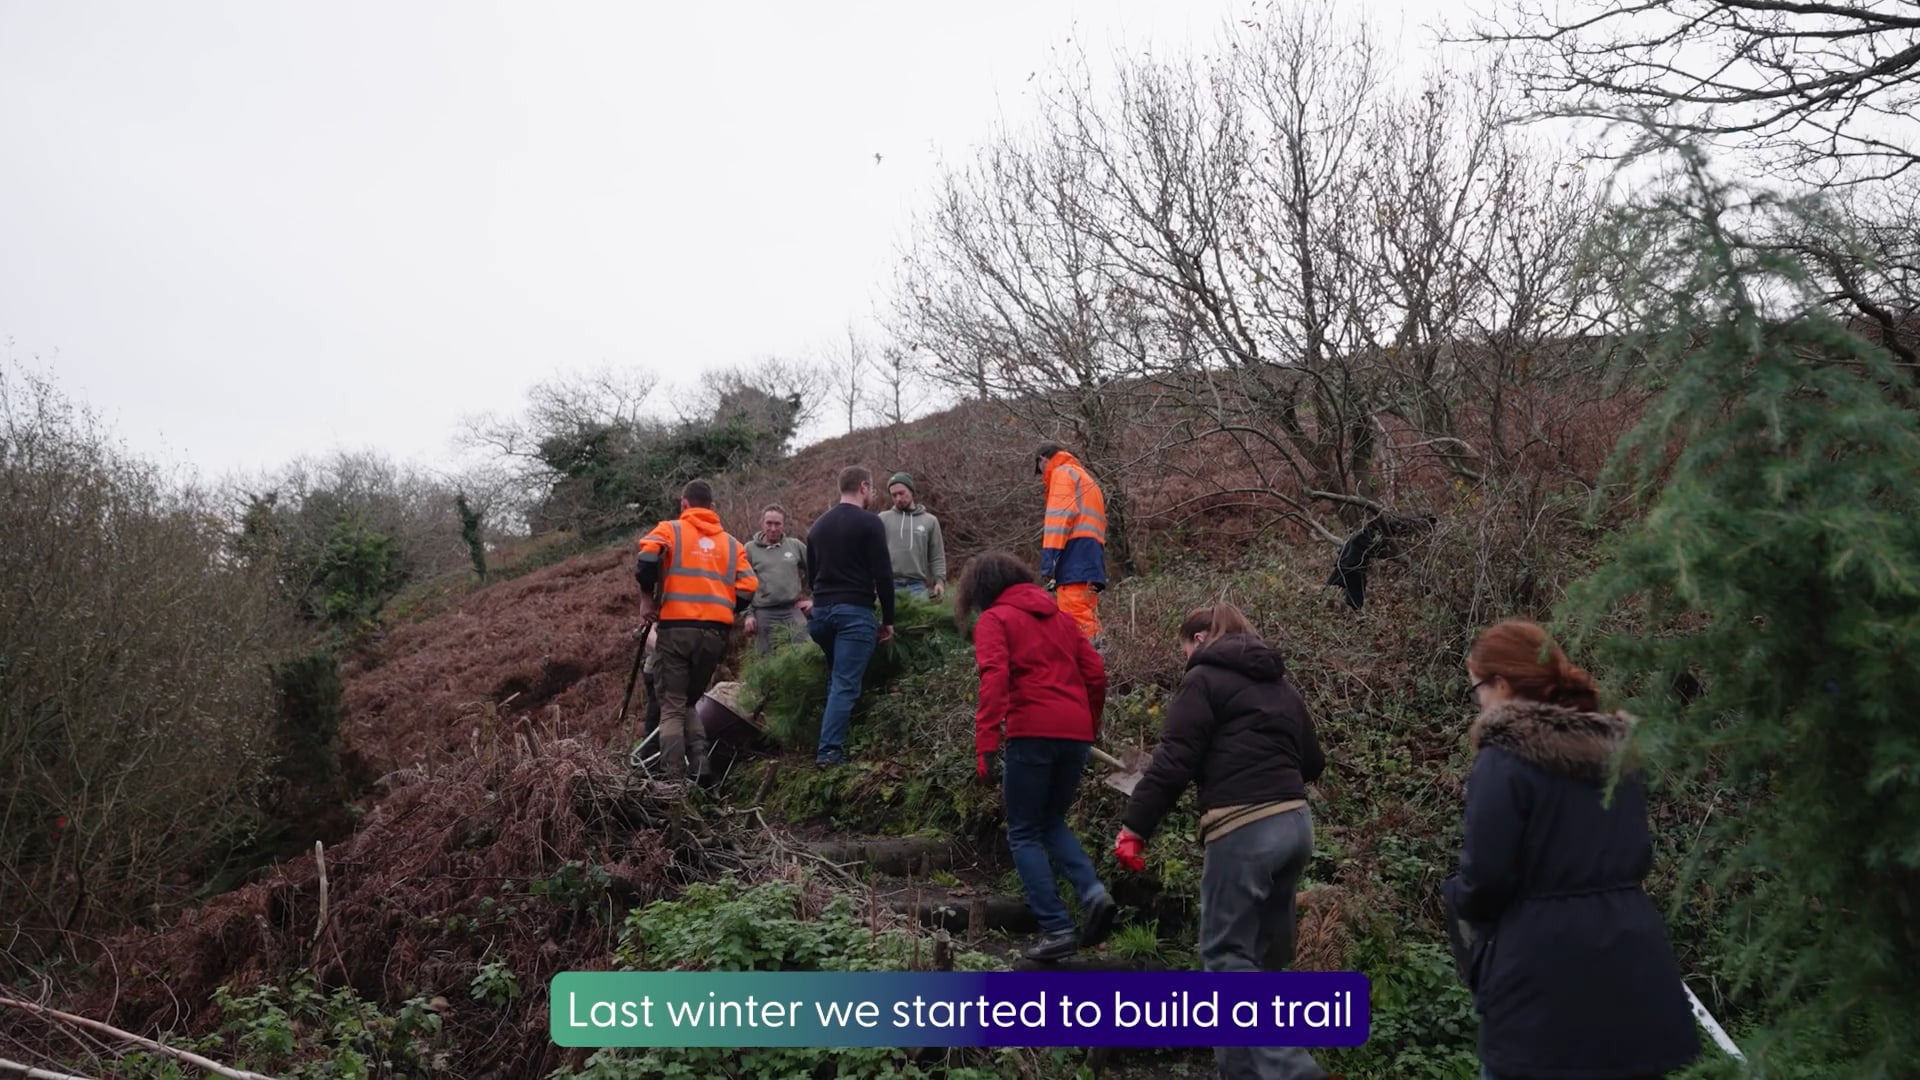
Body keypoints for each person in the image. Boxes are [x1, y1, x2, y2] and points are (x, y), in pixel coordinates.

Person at [1443, 619, 1700, 1080]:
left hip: (1544, 977)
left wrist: (1459, 900)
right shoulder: (1617, 752)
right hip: (1634, 960)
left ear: (1501, 685)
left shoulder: (1503, 761)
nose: (1478, 700)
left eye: (1477, 687)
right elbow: (1639, 852)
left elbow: (1487, 878)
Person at [1111, 604, 1329, 1080]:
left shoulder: (1204, 678)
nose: (1186, 657)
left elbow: (1173, 760)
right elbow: (1313, 762)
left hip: (1244, 828)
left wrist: (1135, 827)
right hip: (1295, 825)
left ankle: (1294, 1069)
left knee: (1227, 957)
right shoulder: (1281, 686)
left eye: (1186, 646)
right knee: (1262, 965)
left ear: (1203, 637)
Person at [958, 551, 1116, 962]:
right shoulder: (1061, 618)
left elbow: (994, 678)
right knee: (1050, 822)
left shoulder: (995, 620)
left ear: (982, 590)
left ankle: (1056, 928)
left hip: (1032, 733)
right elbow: (1095, 674)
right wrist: (1088, 724)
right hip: (1075, 733)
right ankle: (1093, 892)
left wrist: (986, 746)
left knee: (1024, 831)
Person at [634, 479, 758, 786]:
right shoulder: (733, 545)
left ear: (684, 503)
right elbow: (749, 587)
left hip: (677, 630)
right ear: (713, 507)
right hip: (714, 636)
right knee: (690, 701)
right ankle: (701, 766)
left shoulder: (670, 530)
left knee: (672, 705)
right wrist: (725, 611)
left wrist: (647, 598)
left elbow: (647, 558)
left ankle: (673, 781)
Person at [803, 466, 896, 766]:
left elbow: (812, 575)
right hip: (853, 613)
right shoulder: (870, 523)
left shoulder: (817, 527)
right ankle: (829, 753)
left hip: (821, 617)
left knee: (837, 679)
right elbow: (883, 575)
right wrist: (889, 619)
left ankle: (831, 741)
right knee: (845, 684)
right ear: (864, 487)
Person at [1033, 443, 1107, 641]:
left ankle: (1090, 667)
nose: (1042, 476)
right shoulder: (1086, 479)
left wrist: (1049, 563)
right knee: (1087, 616)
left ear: (1043, 459)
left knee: (1076, 622)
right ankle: (1100, 663)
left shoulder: (1061, 474)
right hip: (1091, 559)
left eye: (1039, 469)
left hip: (1073, 559)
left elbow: (1058, 521)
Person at [742, 503, 812, 655]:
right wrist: (748, 615)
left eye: (777, 524)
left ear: (784, 525)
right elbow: (742, 585)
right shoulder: (750, 549)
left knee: (805, 653)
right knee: (766, 660)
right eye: (769, 523)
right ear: (762, 523)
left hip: (792, 610)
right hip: (764, 612)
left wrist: (813, 600)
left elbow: (816, 571)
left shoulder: (795, 546)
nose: (773, 528)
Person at [877, 472, 947, 601]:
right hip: (889, 584)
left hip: (918, 586)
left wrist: (940, 582)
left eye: (902, 493)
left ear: (911, 491)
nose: (898, 498)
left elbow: (937, 556)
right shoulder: (882, 519)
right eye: (894, 495)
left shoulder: (930, 521)